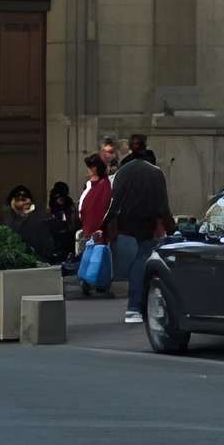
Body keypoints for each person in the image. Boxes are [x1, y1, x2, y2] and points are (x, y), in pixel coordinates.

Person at [106, 135, 172, 327]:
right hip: (146, 224)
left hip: (124, 225)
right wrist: (172, 229)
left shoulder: (122, 172)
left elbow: (113, 202)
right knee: (143, 263)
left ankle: (137, 307)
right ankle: (136, 306)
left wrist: (107, 225)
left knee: (135, 265)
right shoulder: (155, 173)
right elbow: (163, 206)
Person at [74, 153, 116, 295]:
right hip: (91, 224)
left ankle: (93, 281)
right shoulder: (92, 185)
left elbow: (104, 205)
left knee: (97, 253)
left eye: (91, 167)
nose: (89, 170)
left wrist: (100, 225)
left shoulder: (103, 185)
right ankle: (98, 282)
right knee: (97, 252)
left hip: (98, 225)